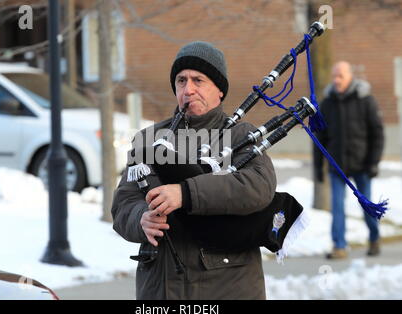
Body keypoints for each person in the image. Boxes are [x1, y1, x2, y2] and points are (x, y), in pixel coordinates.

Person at [111, 41, 276, 299]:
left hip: (225, 287)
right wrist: (141, 218)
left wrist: (185, 193)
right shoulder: (148, 140)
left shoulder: (241, 136)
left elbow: (257, 187)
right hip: (161, 287)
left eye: (198, 80)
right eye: (181, 81)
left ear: (219, 90)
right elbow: (123, 203)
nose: (188, 89)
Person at [314, 61, 385, 259]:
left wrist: (374, 162)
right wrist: (318, 168)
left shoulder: (366, 100)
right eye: (334, 76)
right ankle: (339, 246)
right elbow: (319, 138)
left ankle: (374, 238)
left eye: (341, 76)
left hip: (362, 165)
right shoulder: (327, 103)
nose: (336, 80)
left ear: (350, 77)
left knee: (367, 206)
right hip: (337, 166)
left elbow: (377, 133)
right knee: (337, 208)